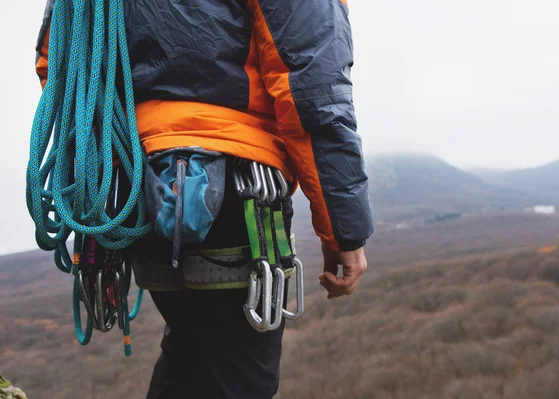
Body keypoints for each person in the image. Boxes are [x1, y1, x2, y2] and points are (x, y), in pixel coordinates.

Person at [34, 0, 374, 397]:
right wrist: (342, 231)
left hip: (135, 188)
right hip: (236, 192)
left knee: (188, 357)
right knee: (234, 377)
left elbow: (58, 62)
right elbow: (313, 90)